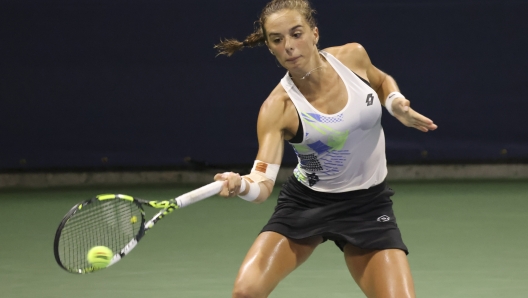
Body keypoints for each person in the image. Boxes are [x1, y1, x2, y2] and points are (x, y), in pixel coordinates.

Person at [213, 0, 437, 297]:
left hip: (367, 206)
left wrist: (396, 104)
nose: (289, 46)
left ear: (314, 33)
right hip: (307, 204)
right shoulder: (277, 108)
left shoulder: (352, 56)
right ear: (270, 48)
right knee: (246, 291)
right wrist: (241, 184)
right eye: (277, 40)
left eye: (296, 34)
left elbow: (381, 81)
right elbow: (262, 184)